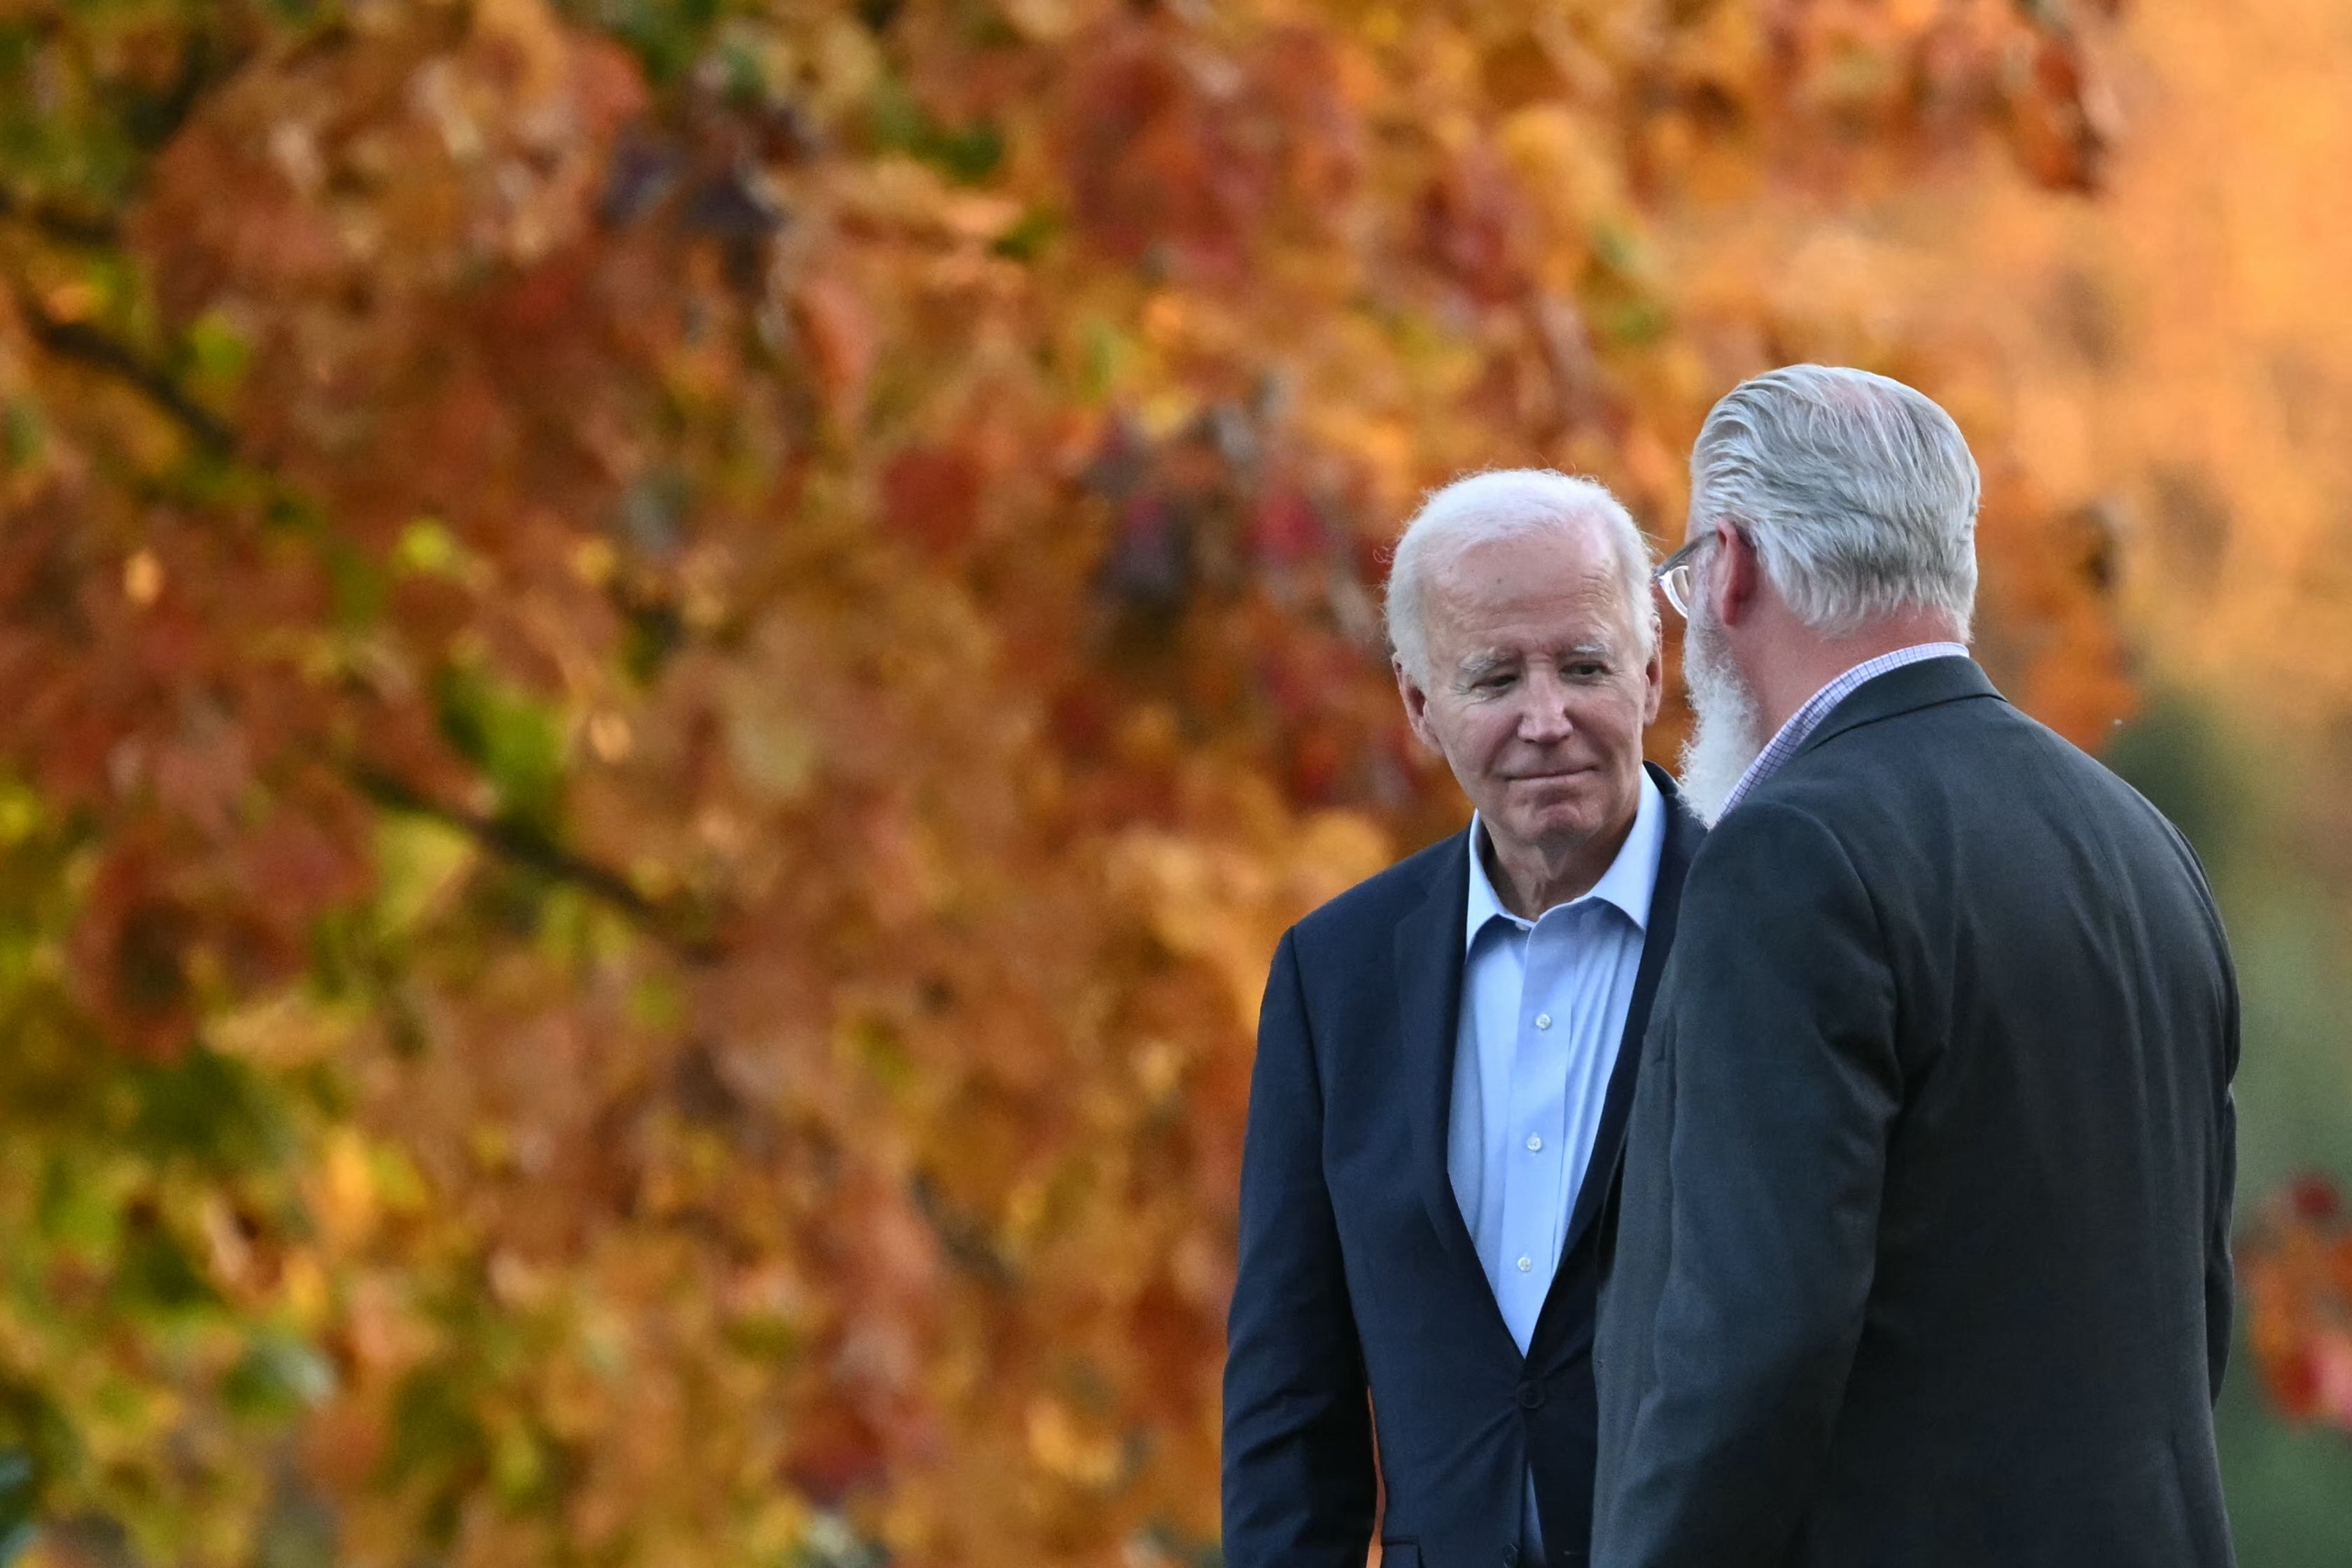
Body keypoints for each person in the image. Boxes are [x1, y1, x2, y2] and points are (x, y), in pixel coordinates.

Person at [1592, 365, 2239, 1567]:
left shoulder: (1791, 854)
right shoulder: (2143, 847)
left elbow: (1756, 1340)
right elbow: (2192, 1314)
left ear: (1728, 566)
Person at [1222, 470, 1707, 1568]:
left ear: (1650, 671)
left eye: (1583, 667)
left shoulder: (1763, 930)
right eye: (1495, 678)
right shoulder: (1333, 975)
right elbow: (1290, 1390)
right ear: (1420, 706)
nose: (1548, 719)